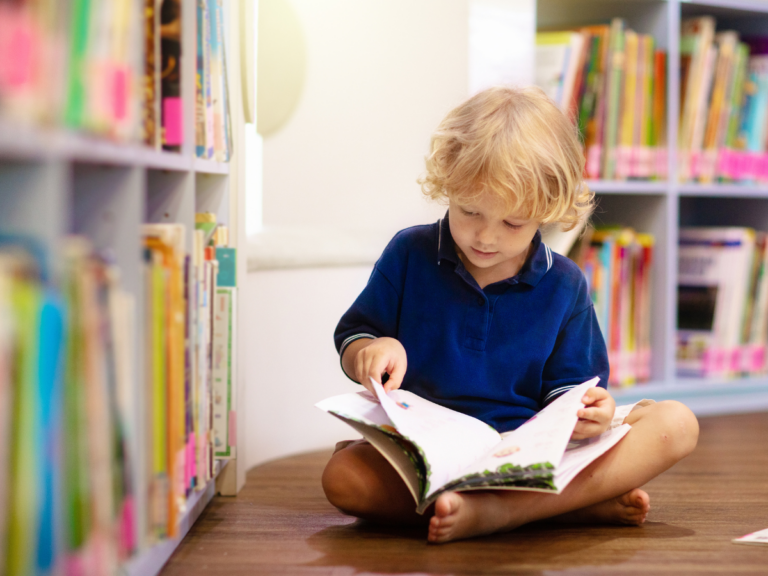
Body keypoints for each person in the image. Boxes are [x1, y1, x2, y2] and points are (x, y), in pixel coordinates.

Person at [321, 86, 699, 544]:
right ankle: (559, 508)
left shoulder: (565, 284)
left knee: (676, 424)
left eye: (512, 223)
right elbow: (356, 336)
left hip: (528, 453)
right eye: (469, 211)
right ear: (448, 186)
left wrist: (590, 414)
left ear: (547, 210)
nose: (485, 236)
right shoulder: (409, 253)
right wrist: (370, 350)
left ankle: (501, 510)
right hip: (427, 451)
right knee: (343, 479)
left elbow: (573, 394)